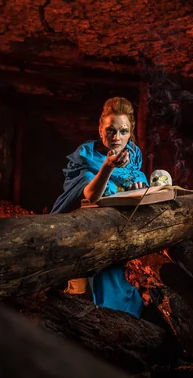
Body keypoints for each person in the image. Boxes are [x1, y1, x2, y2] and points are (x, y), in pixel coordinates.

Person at [51, 97, 148, 317]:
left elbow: (135, 179)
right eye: (110, 130)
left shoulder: (132, 157)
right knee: (83, 303)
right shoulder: (86, 159)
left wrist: (137, 185)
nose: (116, 138)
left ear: (130, 131)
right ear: (100, 129)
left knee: (120, 300)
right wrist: (108, 167)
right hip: (84, 240)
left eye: (123, 131)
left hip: (118, 240)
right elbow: (92, 194)